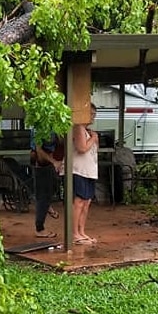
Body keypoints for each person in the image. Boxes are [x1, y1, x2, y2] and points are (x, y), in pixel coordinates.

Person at [72, 104, 99, 245]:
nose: (93, 117)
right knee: (79, 202)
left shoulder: (87, 130)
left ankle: (81, 231)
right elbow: (82, 148)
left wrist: (93, 137)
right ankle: (74, 233)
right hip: (79, 170)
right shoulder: (78, 128)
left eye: (94, 114)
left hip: (89, 171)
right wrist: (93, 138)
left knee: (86, 202)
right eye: (91, 113)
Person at [30, 130, 63, 238]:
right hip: (40, 162)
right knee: (42, 196)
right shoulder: (38, 128)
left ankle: (47, 205)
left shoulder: (54, 126)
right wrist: (54, 161)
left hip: (49, 161)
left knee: (54, 187)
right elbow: (39, 150)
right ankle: (39, 229)